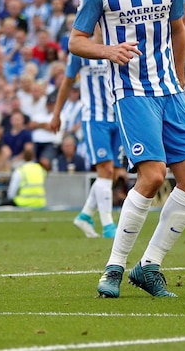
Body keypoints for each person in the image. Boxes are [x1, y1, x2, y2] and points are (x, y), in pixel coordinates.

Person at [69, 0, 185, 298]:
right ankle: (113, 268)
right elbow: (76, 41)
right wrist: (108, 51)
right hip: (132, 92)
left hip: (170, 91)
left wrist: (179, 77)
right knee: (151, 175)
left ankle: (149, 267)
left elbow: (178, 30)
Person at [51, 47, 126, 239]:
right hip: (94, 119)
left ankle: (85, 215)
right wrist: (57, 113)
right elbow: (67, 82)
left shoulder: (119, 45)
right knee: (106, 170)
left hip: (118, 118)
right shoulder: (80, 52)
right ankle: (109, 226)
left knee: (115, 174)